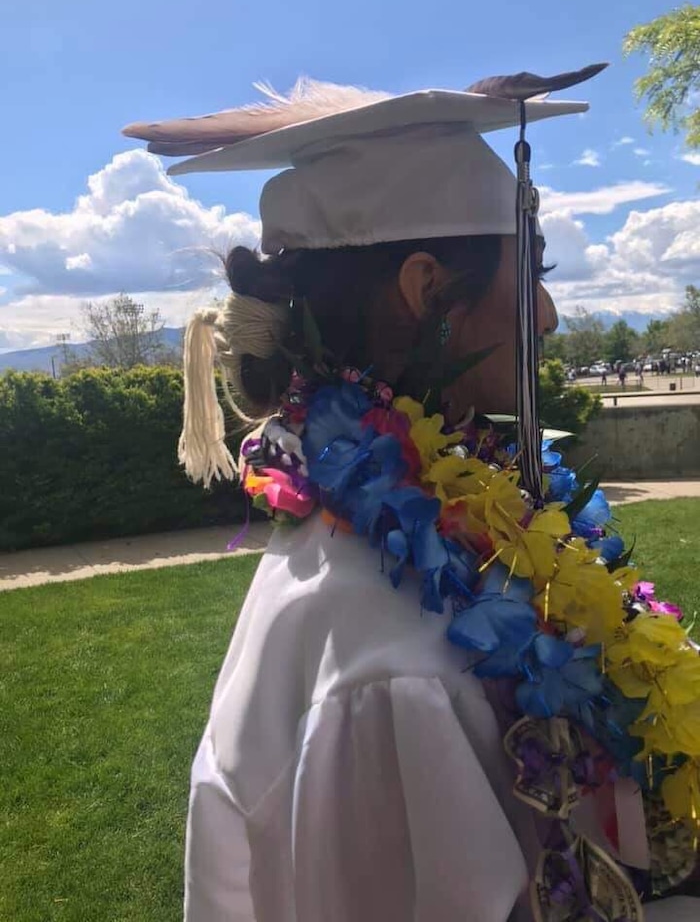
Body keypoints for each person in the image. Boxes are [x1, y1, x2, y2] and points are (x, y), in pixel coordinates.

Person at [126, 69, 699, 922]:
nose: (547, 316)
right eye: (529, 269)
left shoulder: (456, 525)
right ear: (429, 289)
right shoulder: (393, 667)